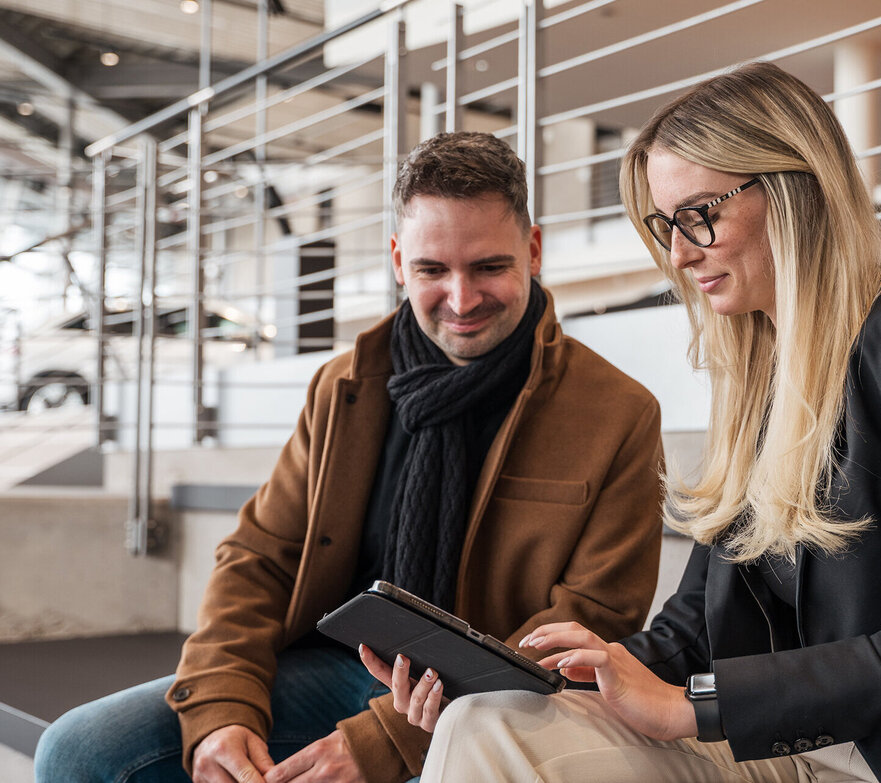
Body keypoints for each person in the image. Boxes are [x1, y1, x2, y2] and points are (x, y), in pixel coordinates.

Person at [364, 63, 881, 783]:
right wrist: (534, 675)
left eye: (699, 214)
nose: (680, 254)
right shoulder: (763, 381)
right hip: (799, 744)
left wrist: (694, 707)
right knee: (487, 717)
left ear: (793, 186)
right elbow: (691, 632)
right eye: (666, 226)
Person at [34, 131, 665, 783]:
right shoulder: (345, 386)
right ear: (398, 261)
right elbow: (258, 557)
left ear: (532, 252)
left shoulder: (618, 412)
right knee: (77, 749)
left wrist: (386, 740)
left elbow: (585, 623)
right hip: (335, 664)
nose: (461, 297)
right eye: (431, 269)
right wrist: (224, 707)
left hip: (486, 704)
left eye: (487, 267)